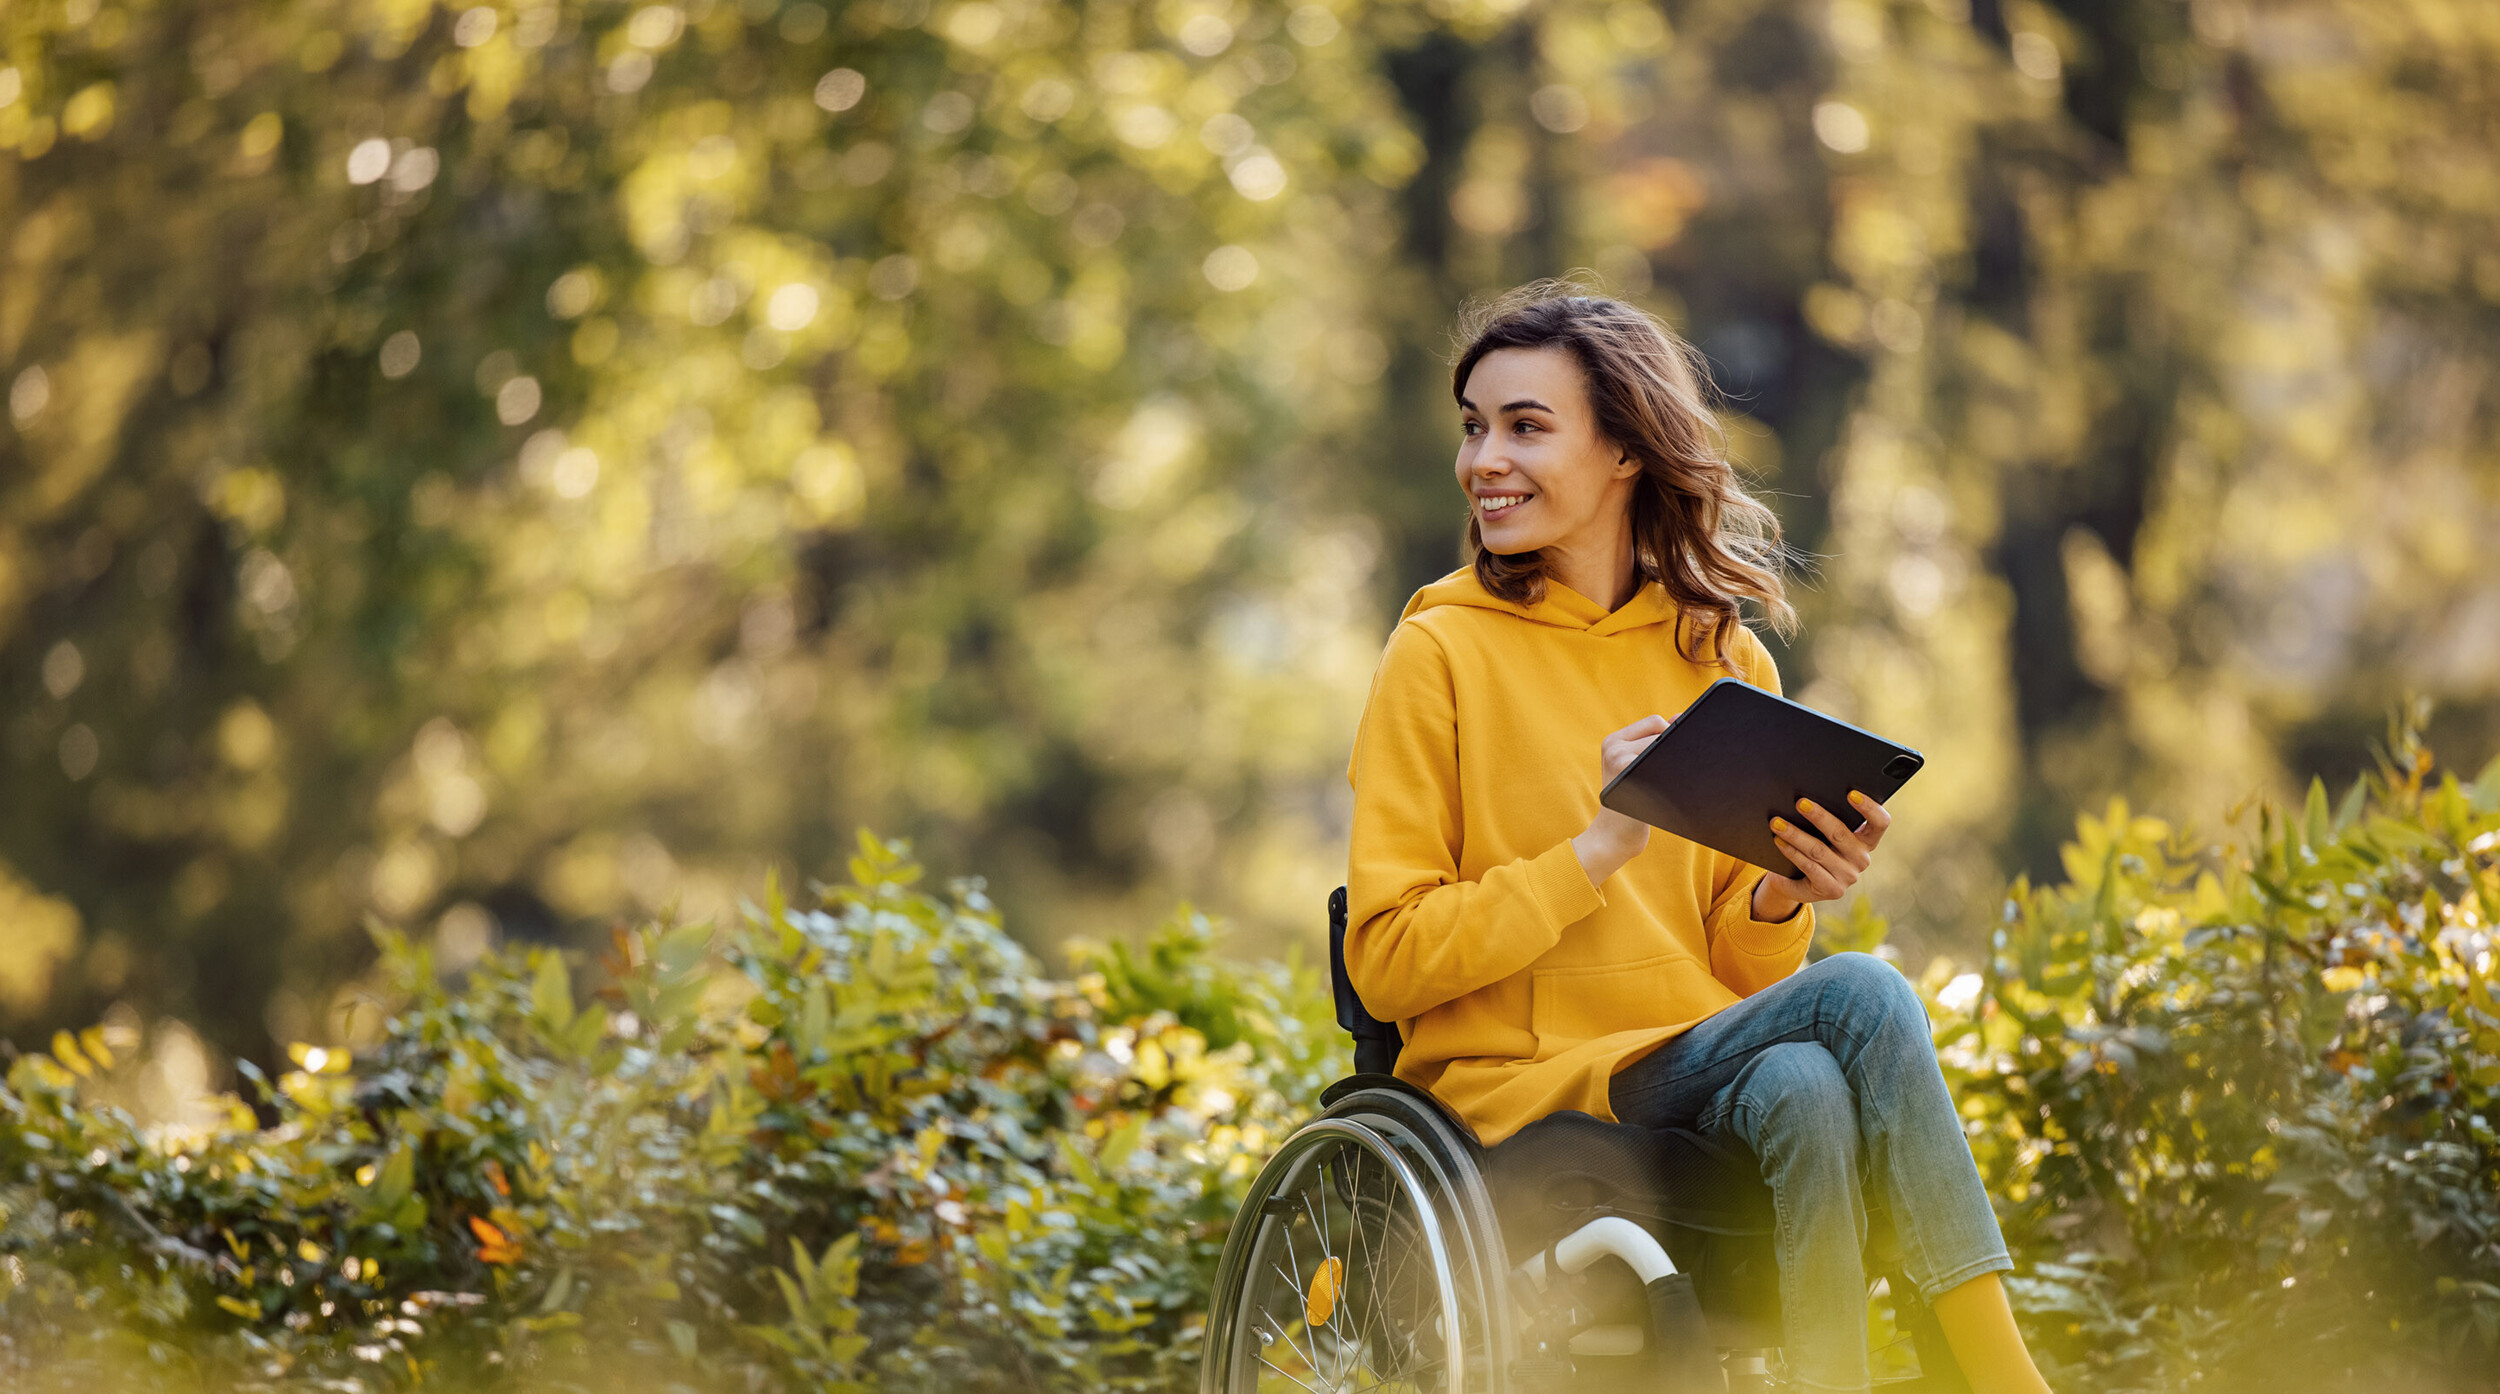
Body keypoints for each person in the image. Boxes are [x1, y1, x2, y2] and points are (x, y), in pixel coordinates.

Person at [1342, 284, 2054, 1394]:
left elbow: (1732, 969)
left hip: (1684, 1061)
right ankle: (2005, 1376)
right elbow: (1384, 961)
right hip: (1516, 1085)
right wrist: (1596, 848)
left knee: (1811, 1082)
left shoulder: (1721, 662)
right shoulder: (1437, 654)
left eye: (1526, 425)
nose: (1485, 457)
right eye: (1474, 425)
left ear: (1625, 449)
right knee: (1863, 997)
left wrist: (1781, 894)